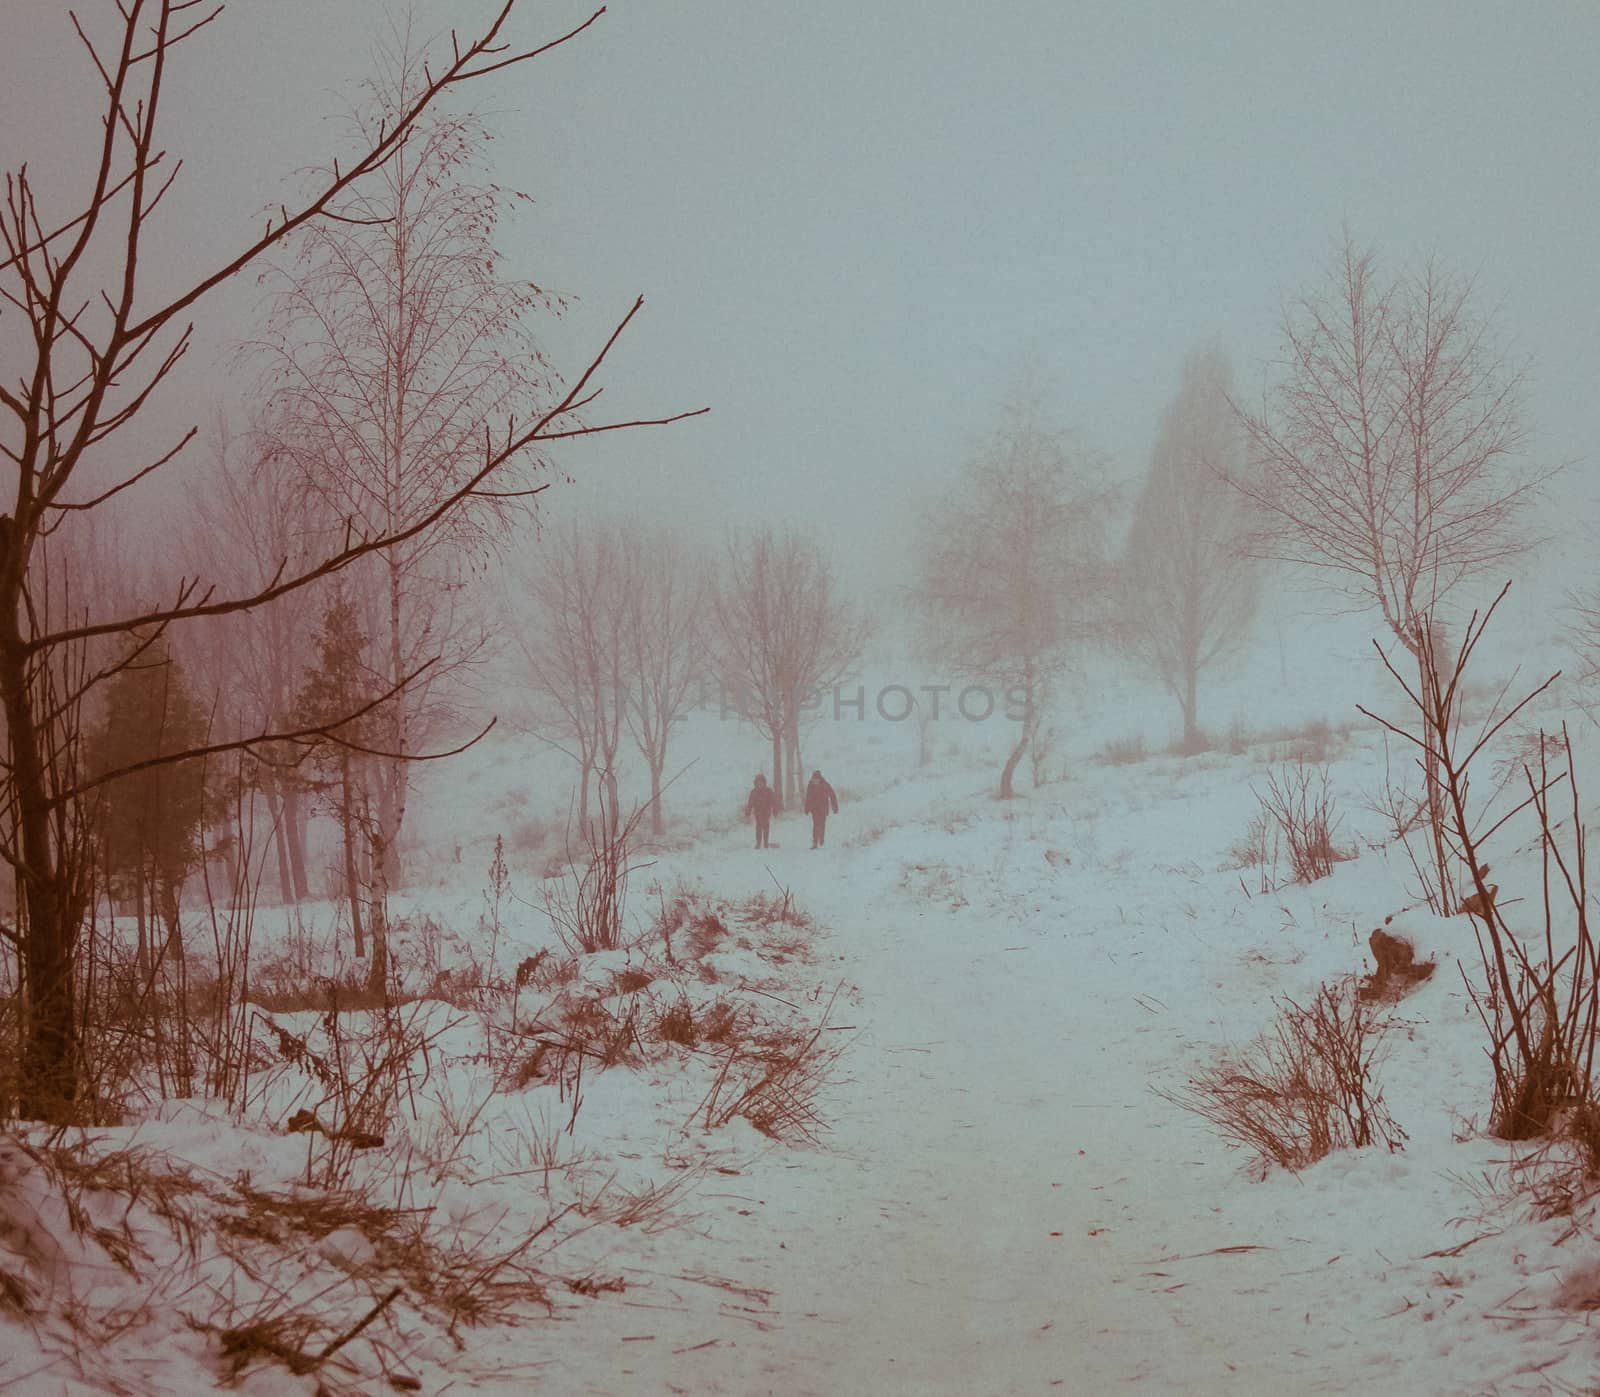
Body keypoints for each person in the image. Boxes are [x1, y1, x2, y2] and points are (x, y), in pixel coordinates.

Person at [804, 769, 839, 848]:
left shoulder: (825, 785)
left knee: (822, 824)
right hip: (814, 809)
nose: (815, 781)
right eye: (814, 779)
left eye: (816, 779)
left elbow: (832, 795)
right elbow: (808, 797)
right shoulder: (810, 785)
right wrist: (807, 808)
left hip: (823, 808)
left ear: (819, 779)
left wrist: (835, 807)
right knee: (816, 824)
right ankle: (815, 842)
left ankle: (821, 838)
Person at [746, 772, 779, 849]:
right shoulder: (753, 792)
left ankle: (766, 842)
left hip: (766, 812)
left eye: (761, 782)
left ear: (764, 783)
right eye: (757, 783)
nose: (759, 784)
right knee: (758, 827)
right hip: (757, 812)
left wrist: (775, 810)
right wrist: (748, 811)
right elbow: (750, 803)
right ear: (755, 783)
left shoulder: (768, 791)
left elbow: (773, 801)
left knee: (766, 827)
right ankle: (758, 843)